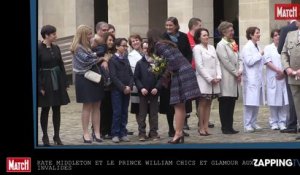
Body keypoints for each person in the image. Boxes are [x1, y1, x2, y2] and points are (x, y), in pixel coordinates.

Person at [147, 29, 201, 144]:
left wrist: (162, 73)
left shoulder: (159, 46)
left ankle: (178, 134)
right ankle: (179, 133)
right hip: (186, 71)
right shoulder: (167, 44)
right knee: (180, 105)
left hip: (180, 73)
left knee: (178, 105)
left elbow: (173, 62)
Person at [70, 25, 104, 143]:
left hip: (94, 76)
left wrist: (96, 55)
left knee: (97, 105)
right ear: (83, 35)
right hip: (84, 78)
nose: (91, 36)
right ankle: (86, 133)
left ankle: (97, 132)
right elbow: (87, 60)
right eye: (89, 34)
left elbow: (93, 56)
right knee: (87, 106)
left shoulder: (88, 46)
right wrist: (101, 58)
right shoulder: (77, 47)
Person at [38, 25, 70, 146]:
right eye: (53, 34)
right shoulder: (38, 48)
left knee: (57, 108)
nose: (56, 36)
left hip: (57, 80)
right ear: (46, 35)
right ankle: (45, 136)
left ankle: (56, 136)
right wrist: (40, 86)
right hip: (45, 81)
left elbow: (61, 64)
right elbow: (36, 68)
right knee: (45, 108)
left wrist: (65, 81)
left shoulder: (56, 48)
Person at [162, 17, 193, 133]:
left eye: (170, 25)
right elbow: (160, 54)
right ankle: (171, 128)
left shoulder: (183, 37)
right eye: (167, 25)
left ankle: (181, 128)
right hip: (169, 75)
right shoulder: (163, 37)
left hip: (182, 73)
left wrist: (185, 65)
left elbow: (189, 53)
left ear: (176, 25)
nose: (168, 28)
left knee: (182, 101)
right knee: (170, 102)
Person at [187, 17, 215, 129]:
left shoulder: (208, 46)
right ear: (194, 26)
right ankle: (186, 120)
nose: (201, 27)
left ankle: (203, 122)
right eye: (199, 25)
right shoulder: (186, 38)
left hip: (205, 74)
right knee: (191, 98)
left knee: (204, 100)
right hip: (193, 71)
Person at [193, 28, 222, 136]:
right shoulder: (197, 48)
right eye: (204, 35)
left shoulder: (212, 47)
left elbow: (217, 63)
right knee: (202, 103)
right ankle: (201, 126)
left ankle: (206, 126)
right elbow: (199, 66)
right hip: (203, 80)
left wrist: (218, 76)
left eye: (207, 35)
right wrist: (210, 78)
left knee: (209, 103)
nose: (206, 37)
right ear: (199, 37)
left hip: (215, 79)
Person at [216, 21, 242, 134]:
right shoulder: (221, 45)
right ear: (224, 31)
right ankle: (225, 127)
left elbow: (239, 57)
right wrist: (236, 72)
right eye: (230, 30)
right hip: (227, 78)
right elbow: (225, 61)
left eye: (233, 30)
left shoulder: (233, 42)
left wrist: (240, 70)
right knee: (225, 102)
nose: (233, 32)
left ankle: (230, 126)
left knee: (232, 102)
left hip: (235, 77)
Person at [134, 42, 162, 141]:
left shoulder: (157, 62)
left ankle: (153, 132)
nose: (147, 50)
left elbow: (161, 77)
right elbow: (136, 78)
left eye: (148, 48)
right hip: (143, 93)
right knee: (142, 114)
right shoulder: (139, 63)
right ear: (142, 49)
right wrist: (141, 88)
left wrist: (157, 87)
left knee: (154, 114)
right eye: (145, 48)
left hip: (154, 92)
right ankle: (142, 133)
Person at [91, 32, 115, 139]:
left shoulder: (113, 52)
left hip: (112, 85)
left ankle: (109, 130)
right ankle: (99, 130)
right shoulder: (100, 51)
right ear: (105, 41)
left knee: (110, 108)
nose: (111, 42)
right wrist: (104, 59)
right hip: (101, 84)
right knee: (101, 109)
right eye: (109, 40)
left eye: (112, 40)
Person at [109, 38, 134, 143]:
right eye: (123, 46)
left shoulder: (126, 58)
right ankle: (115, 133)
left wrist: (129, 86)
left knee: (124, 111)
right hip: (117, 90)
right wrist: (123, 87)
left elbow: (130, 74)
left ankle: (123, 132)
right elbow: (113, 76)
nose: (125, 48)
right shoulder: (113, 60)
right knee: (117, 112)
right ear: (117, 46)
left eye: (126, 46)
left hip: (127, 90)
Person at [264, 29, 288, 130]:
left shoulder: (285, 47)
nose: (277, 37)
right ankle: (273, 122)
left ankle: (282, 121)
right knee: (273, 101)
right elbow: (267, 61)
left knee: (283, 101)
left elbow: (288, 61)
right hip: (273, 77)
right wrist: (278, 70)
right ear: (272, 37)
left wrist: (284, 73)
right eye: (275, 35)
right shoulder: (268, 48)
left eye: (279, 35)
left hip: (284, 77)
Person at [241, 27, 265, 133]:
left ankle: (254, 122)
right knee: (250, 103)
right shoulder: (247, 47)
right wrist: (260, 54)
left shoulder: (257, 46)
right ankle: (247, 124)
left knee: (256, 102)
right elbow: (249, 61)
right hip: (250, 79)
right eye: (257, 33)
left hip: (257, 78)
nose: (259, 35)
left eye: (259, 33)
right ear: (251, 35)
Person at [278, 20, 298, 134]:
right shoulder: (289, 30)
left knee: (293, 98)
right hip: (292, 70)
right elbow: (282, 51)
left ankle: (292, 124)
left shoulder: (286, 29)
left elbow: (279, 49)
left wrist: (287, 67)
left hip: (291, 69)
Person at [128, 34, 144, 128]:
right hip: (136, 84)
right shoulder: (131, 55)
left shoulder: (147, 52)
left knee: (149, 108)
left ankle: (152, 130)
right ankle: (141, 128)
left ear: (140, 41)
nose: (135, 42)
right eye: (133, 41)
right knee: (138, 108)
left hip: (148, 83)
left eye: (136, 40)